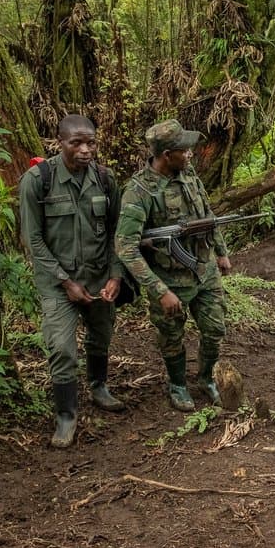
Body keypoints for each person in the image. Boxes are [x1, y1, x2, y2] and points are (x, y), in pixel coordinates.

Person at [19, 114, 126, 449]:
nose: (84, 150)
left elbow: (116, 234)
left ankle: (99, 386)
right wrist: (66, 282)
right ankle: (66, 415)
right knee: (62, 349)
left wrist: (115, 275)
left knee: (101, 335)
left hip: (97, 277)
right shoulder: (38, 180)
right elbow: (32, 240)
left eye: (90, 142)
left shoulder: (105, 180)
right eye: (75, 143)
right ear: (59, 141)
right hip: (57, 282)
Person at [115, 119, 232, 412]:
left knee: (215, 328)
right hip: (169, 280)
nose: (191, 153)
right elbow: (126, 247)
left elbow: (208, 216)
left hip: (204, 271)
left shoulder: (189, 175)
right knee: (171, 338)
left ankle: (206, 378)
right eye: (185, 149)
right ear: (167, 155)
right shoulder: (139, 192)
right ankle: (178, 384)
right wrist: (159, 290)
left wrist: (221, 252)